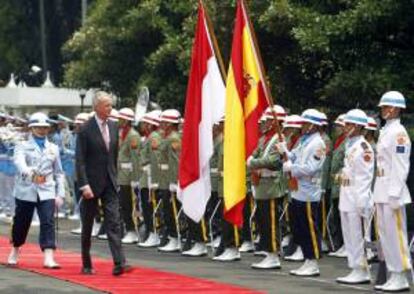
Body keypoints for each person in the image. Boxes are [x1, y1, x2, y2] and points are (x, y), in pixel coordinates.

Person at [76, 91, 129, 276]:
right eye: (107, 105)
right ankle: (86, 262)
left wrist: (115, 178)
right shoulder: (84, 129)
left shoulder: (114, 126)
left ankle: (119, 262)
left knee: (114, 222)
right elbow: (80, 160)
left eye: (111, 105)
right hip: (91, 184)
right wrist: (84, 185)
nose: (110, 108)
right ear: (96, 107)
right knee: (88, 224)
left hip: (109, 182)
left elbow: (113, 156)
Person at [7, 112, 64, 269]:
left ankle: (49, 256)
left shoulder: (53, 148)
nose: (41, 130)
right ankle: (15, 249)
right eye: (38, 127)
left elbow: (58, 172)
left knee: (47, 221)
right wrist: (29, 172)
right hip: (26, 189)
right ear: (31, 128)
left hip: (47, 190)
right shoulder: (22, 145)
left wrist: (60, 194)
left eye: (45, 127)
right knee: (21, 222)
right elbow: (19, 162)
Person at [278, 109, 326, 277]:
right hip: (298, 191)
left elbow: (311, 168)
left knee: (309, 228)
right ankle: (307, 259)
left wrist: (292, 168)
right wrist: (285, 151)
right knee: (299, 228)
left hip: (309, 192)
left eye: (305, 124)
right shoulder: (304, 141)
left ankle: (313, 261)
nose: (303, 126)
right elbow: (294, 156)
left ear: (313, 125)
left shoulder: (318, 143)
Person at [373, 91, 412, 292]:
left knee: (396, 235)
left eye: (385, 107)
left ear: (395, 109)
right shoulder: (386, 130)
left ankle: (401, 276)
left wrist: (395, 193)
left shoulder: (399, 133)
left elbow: (401, 165)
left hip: (392, 192)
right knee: (385, 236)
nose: (382, 110)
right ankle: (392, 273)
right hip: (382, 190)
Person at [336, 109, 374, 284]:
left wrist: (361, 202)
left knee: (358, 235)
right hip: (347, 195)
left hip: (357, 197)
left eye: (349, 124)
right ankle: (354, 267)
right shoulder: (350, 145)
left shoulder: (363, 147)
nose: (346, 127)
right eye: (346, 124)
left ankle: (362, 269)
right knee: (349, 235)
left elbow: (365, 176)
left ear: (358, 126)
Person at [247, 105, 287, 269]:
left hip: (271, 185)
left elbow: (274, 161)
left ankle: (273, 254)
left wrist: (252, 162)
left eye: (269, 120)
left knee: (270, 222)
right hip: (261, 184)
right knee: (263, 221)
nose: (265, 123)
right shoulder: (265, 138)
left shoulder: (279, 138)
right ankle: (267, 252)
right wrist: (251, 159)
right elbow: (256, 152)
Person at [116, 108, 141, 244]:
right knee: (124, 204)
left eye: (120, 119)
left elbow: (135, 158)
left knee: (131, 205)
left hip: (129, 176)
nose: (118, 121)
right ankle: (129, 229)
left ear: (126, 121)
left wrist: (135, 178)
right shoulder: (122, 134)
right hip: (122, 175)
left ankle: (134, 231)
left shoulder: (133, 136)